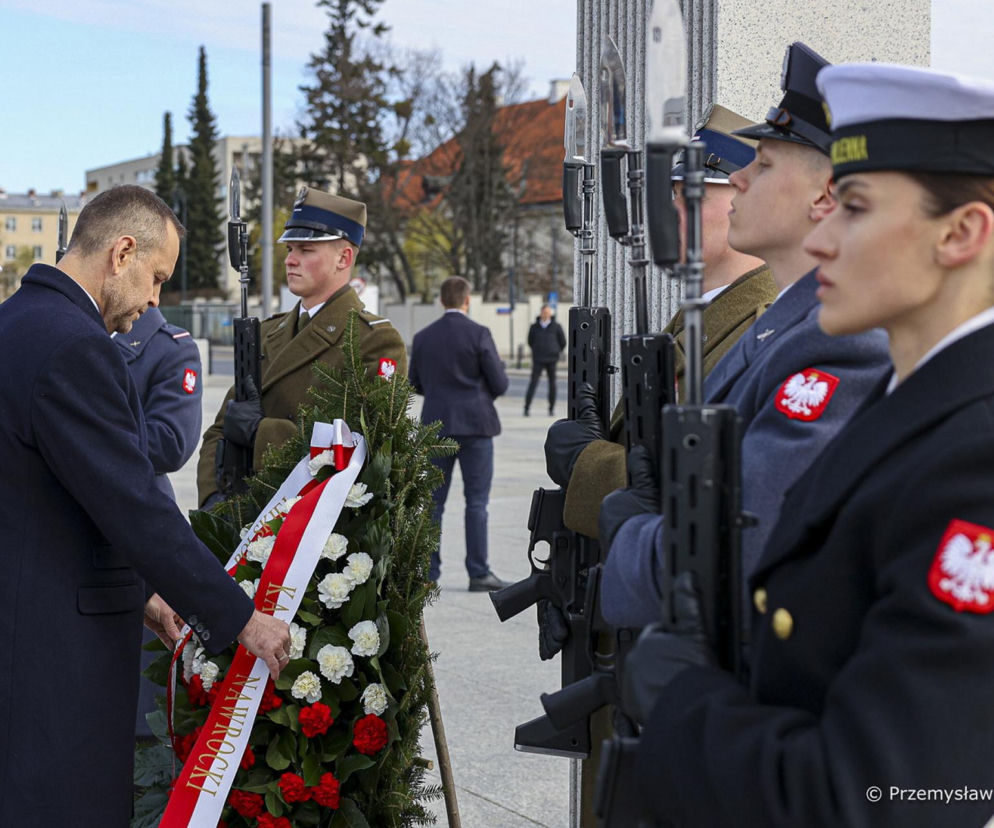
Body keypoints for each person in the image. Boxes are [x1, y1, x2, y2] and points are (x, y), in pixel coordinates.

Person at [623, 61, 994, 828]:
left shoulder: (974, 457)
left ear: (961, 233)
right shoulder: (914, 406)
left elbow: (880, 799)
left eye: (853, 208)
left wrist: (690, 706)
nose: (820, 240)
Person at [0, 185, 290, 825]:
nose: (155, 299)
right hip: (54, 659)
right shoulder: (75, 346)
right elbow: (133, 503)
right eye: (156, 277)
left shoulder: (14, 322)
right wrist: (240, 618)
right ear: (122, 253)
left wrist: (146, 595)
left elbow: (57, 497)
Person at [596, 42, 893, 628]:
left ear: (824, 195)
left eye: (765, 165)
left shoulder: (839, 343)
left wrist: (633, 533)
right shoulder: (785, 326)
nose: (738, 176)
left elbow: (736, 549)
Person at [545, 103, 779, 540]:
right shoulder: (701, 315)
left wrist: (589, 463)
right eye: (672, 193)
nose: (670, 209)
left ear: (746, 198)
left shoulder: (761, 327)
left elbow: (711, 483)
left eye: (690, 193)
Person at [197, 186, 407, 507]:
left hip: (316, 522)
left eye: (306, 250)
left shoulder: (374, 341)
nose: (290, 260)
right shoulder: (267, 332)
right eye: (290, 249)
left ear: (344, 258)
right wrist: (214, 499)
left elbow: (364, 450)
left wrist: (261, 433)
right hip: (245, 515)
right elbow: (220, 430)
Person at [114, 308, 204, 742]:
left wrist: (91, 430)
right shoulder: (66, 331)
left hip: (136, 528)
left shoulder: (168, 348)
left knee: (138, 723)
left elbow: (172, 442)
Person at [409, 276, 510, 591]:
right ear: (467, 300)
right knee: (476, 502)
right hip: (476, 426)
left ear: (441, 301)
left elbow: (414, 382)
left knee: (433, 503)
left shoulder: (423, 337)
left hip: (437, 425)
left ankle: (429, 573)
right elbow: (500, 383)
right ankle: (478, 573)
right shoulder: (479, 333)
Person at [524, 304, 566, 416]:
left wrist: (556, 350)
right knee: (533, 382)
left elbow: (563, 342)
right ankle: (527, 407)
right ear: (541, 313)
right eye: (544, 312)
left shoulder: (556, 326)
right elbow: (530, 341)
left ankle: (551, 408)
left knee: (552, 384)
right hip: (538, 358)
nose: (546, 314)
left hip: (552, 359)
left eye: (548, 312)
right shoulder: (534, 327)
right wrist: (536, 349)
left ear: (550, 314)